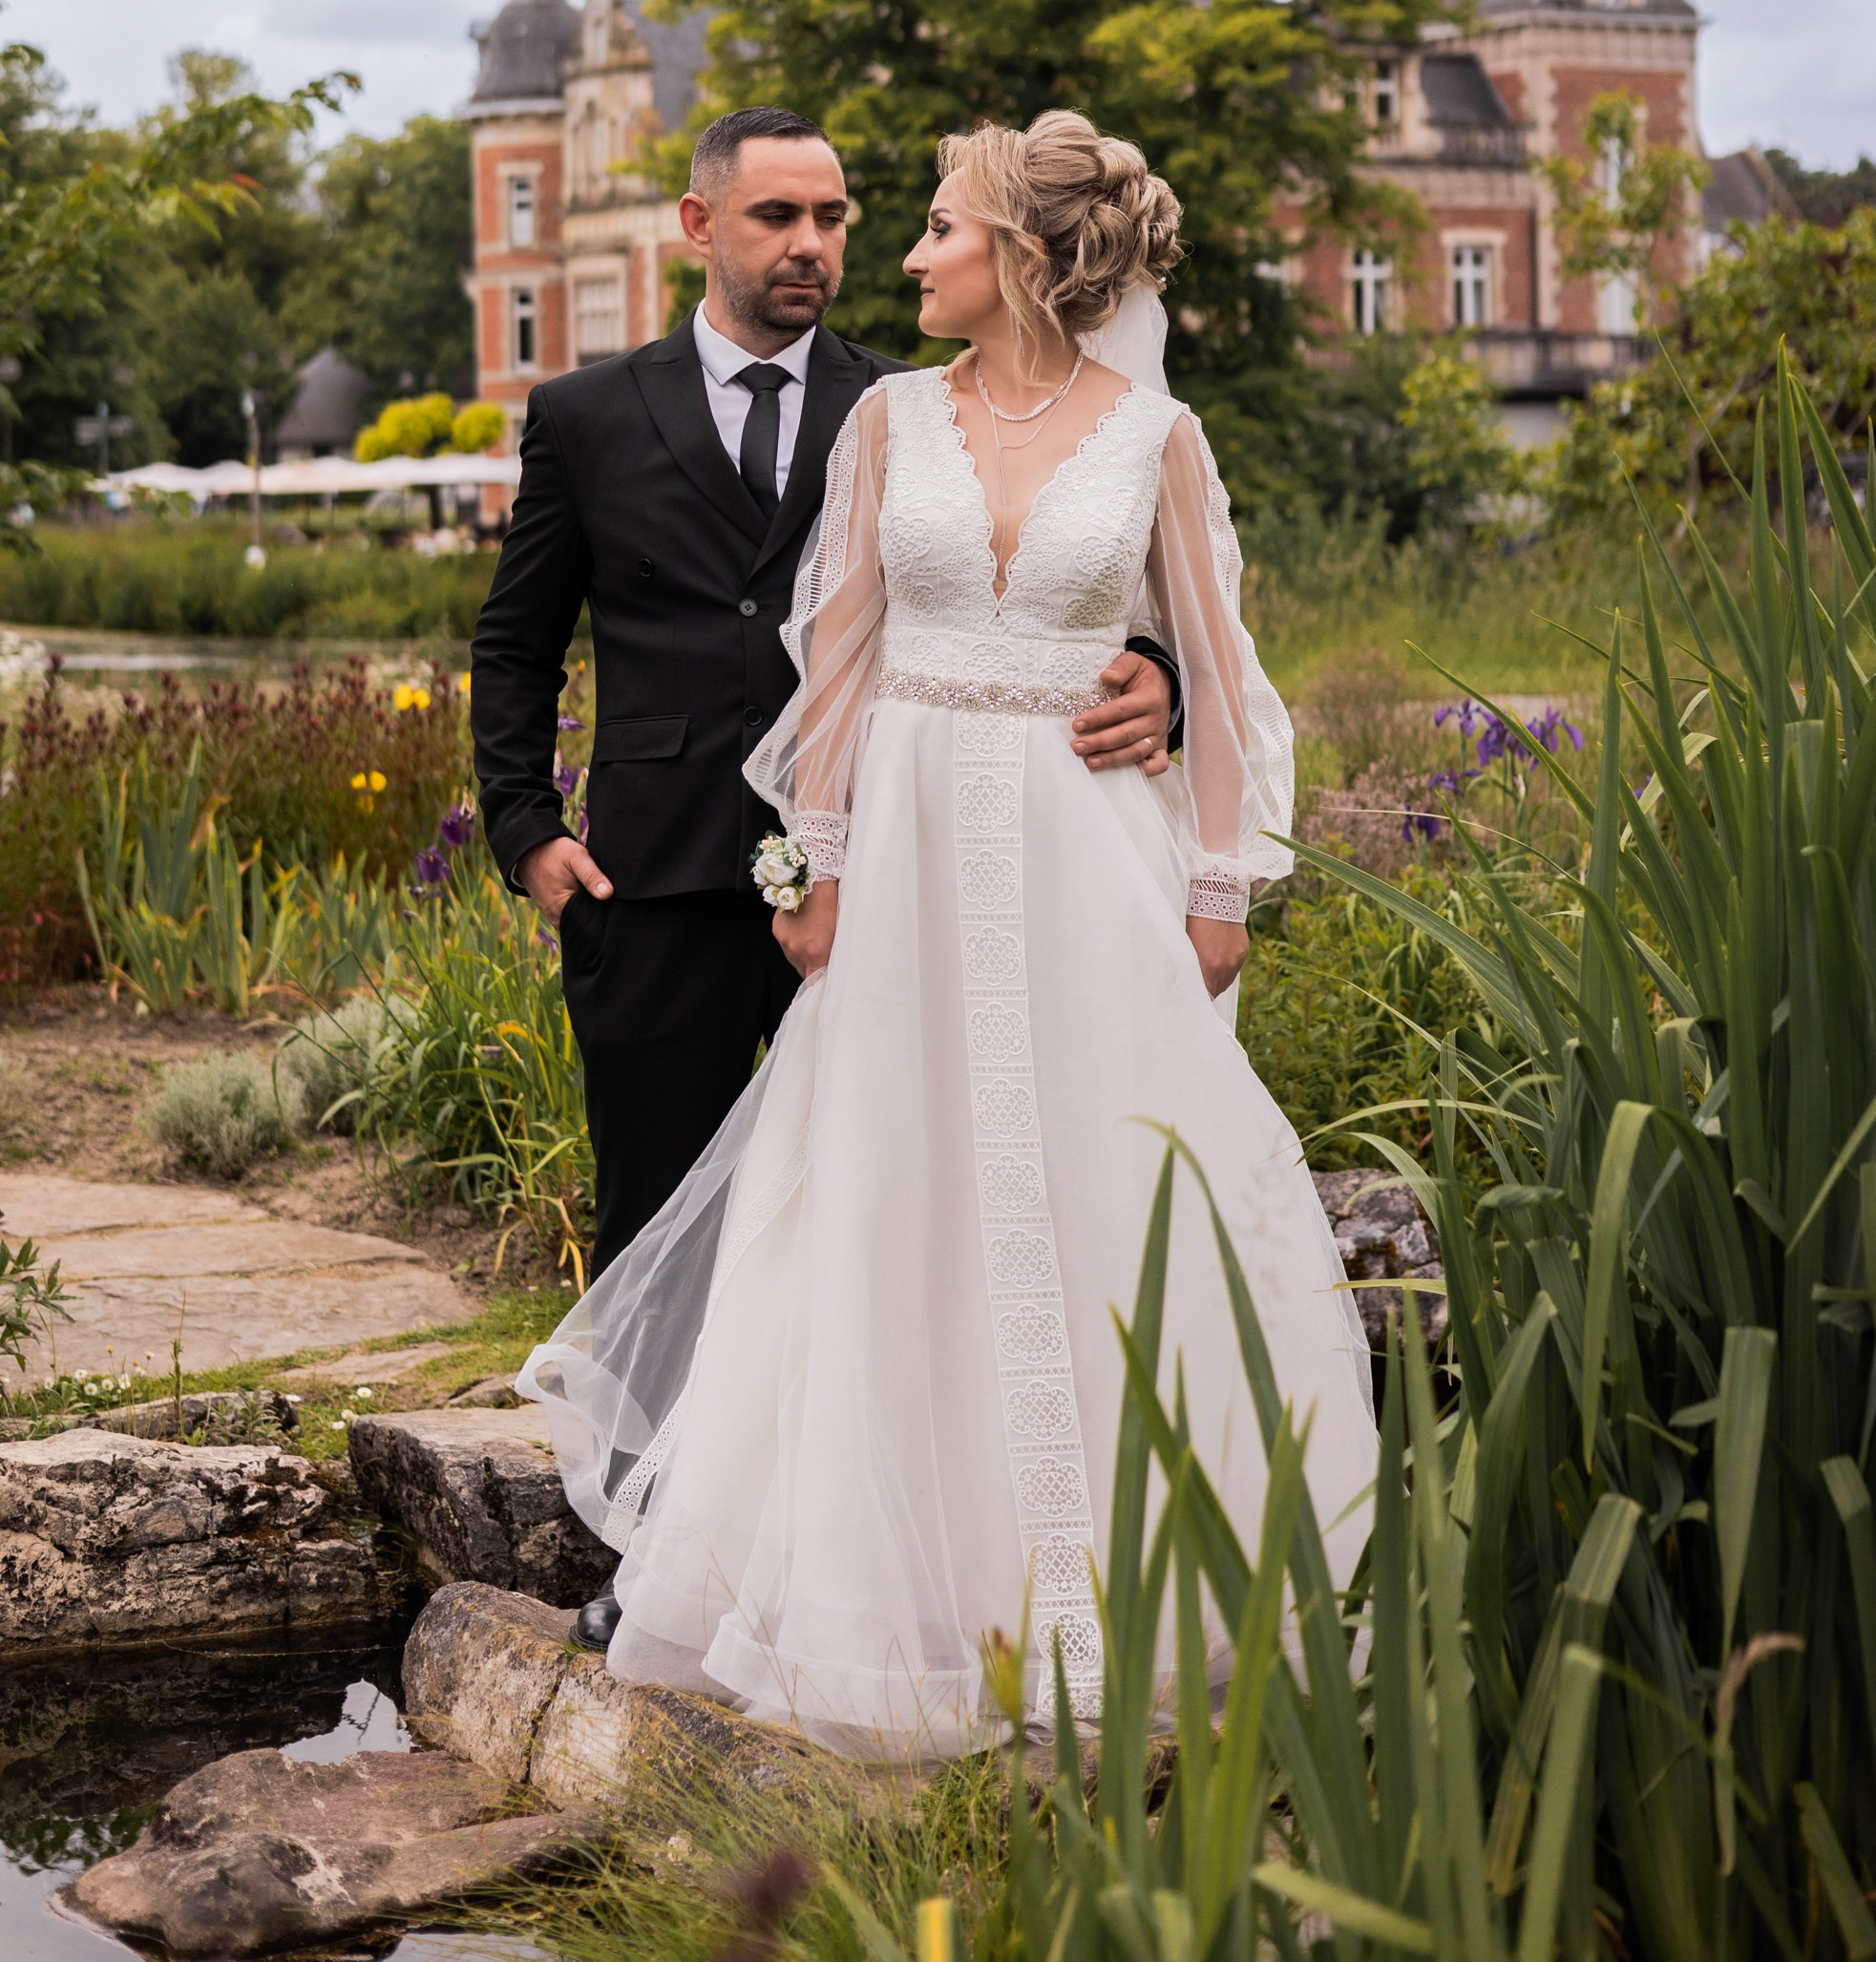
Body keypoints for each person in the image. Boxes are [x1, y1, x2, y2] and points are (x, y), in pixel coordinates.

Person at [519, 111, 1378, 1757]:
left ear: (1031, 258)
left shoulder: (1157, 439)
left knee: (1089, 1183)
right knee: (890, 1191)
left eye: (934, 228)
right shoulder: (888, 422)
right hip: (900, 862)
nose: (899, 255)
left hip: (1087, 863)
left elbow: (1218, 661)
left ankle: (1108, 1591)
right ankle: (884, 1603)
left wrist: (1218, 892)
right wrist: (816, 859)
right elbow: (833, 654)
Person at [471, 107, 1179, 1648]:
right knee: (662, 1203)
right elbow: (517, 640)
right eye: (779, 216)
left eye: (839, 216)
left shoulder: (913, 400)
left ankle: (881, 1555)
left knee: (876, 1211)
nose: (815, 245)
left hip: (894, 890)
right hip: (647, 880)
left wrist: (1163, 682)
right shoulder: (590, 412)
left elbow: (1083, 576)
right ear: (698, 225)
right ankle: (654, 1563)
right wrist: (529, 832)